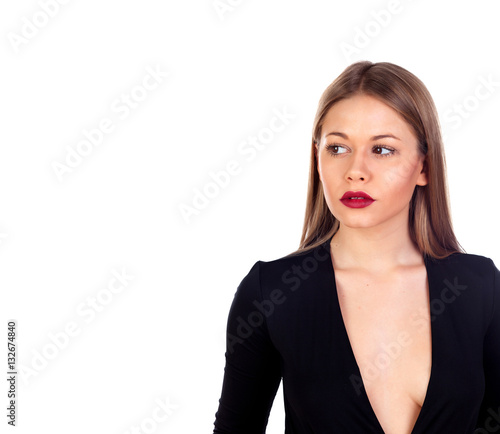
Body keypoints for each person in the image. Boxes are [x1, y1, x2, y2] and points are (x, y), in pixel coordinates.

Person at [212, 61, 500, 434]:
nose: (355, 170)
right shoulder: (272, 292)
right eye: (337, 147)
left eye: (382, 150)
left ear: (424, 167)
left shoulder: (480, 287)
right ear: (317, 160)